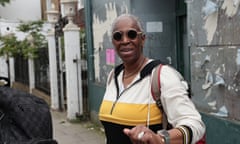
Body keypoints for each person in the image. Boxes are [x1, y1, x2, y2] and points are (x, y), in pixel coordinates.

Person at [99, 14, 205, 144]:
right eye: (118, 36)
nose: (125, 40)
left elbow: (195, 124)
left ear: (142, 39)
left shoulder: (162, 75)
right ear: (113, 42)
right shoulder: (113, 75)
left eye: (131, 34)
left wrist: (161, 139)